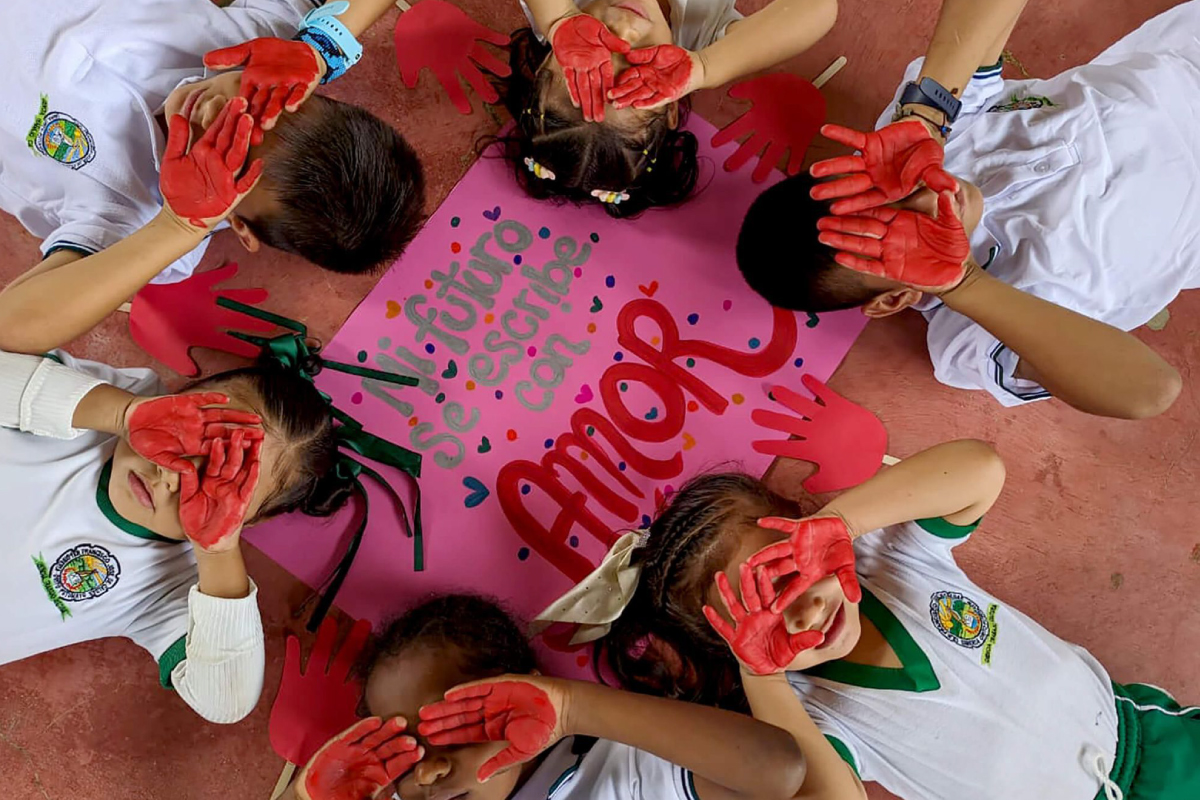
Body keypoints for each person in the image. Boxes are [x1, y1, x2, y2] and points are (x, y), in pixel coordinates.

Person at [578, 439, 1200, 800]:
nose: (805, 610)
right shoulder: (809, 714)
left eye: (791, 573)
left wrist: (840, 525)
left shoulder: (893, 558)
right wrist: (762, 680)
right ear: (732, 649)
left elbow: (982, 470)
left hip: (1152, 740)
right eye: (761, 620)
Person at [736, 0, 1196, 419]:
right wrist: (962, 281)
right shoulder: (966, 340)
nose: (927, 195)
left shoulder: (916, 142)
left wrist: (925, 116)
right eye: (902, 229)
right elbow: (1151, 390)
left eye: (879, 188)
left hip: (1181, 56)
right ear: (895, 298)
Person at [0, 0, 424, 354]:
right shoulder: (270, 43)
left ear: (238, 223)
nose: (217, 113)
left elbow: (12, 326)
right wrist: (321, 47)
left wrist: (177, 227)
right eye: (261, 105)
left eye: (230, 153)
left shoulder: (136, 226)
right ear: (312, 91)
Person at [0, 345, 397, 723]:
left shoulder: (173, 586)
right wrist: (124, 413)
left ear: (246, 522)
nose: (170, 473)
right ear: (177, 396)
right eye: (186, 436)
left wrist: (217, 551)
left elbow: (226, 700)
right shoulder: (109, 402)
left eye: (213, 481)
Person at [275, 593, 815, 800]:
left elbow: (782, 770)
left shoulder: (614, 769)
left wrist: (569, 707)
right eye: (403, 753)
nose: (428, 774)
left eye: (451, 730)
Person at [500, 0, 838, 217]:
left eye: (598, 46)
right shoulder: (699, 36)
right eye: (636, 62)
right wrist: (706, 66)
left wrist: (559, 18)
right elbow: (818, 9)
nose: (624, 27)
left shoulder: (557, 9)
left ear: (546, 60)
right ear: (671, 106)